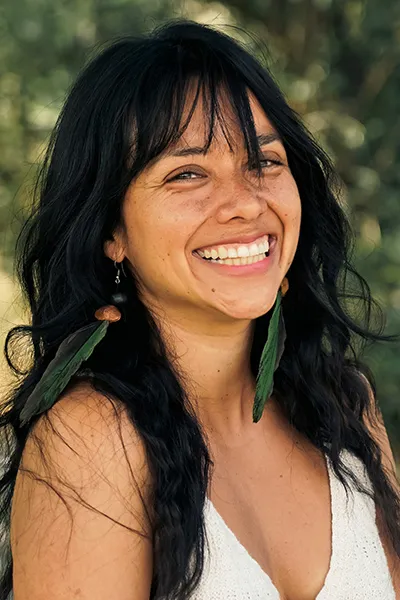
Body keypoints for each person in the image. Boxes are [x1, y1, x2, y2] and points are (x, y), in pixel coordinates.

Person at [0, 18, 399, 600]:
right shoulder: (92, 441)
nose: (245, 204)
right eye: (187, 173)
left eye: (264, 162)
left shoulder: (345, 408)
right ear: (111, 231)